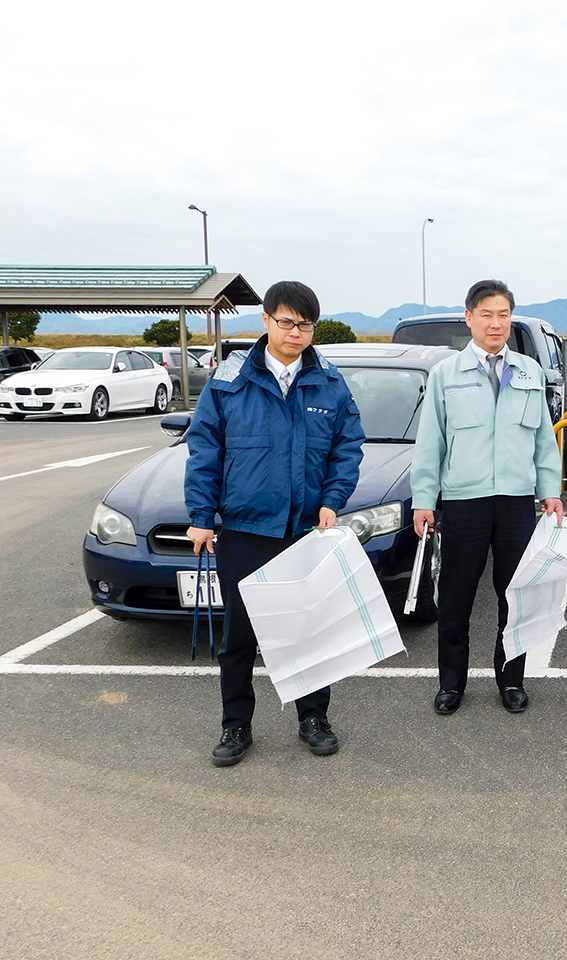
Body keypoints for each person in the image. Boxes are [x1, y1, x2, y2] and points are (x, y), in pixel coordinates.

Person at [185, 280, 364, 766]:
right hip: (245, 527)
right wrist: (202, 517)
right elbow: (205, 450)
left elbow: (347, 447)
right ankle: (235, 725)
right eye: (285, 321)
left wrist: (333, 499)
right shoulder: (230, 380)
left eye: (304, 324)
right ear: (265, 321)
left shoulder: (329, 380)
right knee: (240, 633)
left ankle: (313, 717)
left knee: (309, 626)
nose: (295, 331)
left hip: (308, 528)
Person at [411, 280, 563, 716]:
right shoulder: (446, 374)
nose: (495, 323)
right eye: (486, 314)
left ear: (510, 318)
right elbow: (430, 444)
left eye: (503, 315)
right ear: (469, 318)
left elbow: (542, 442)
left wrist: (550, 491)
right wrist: (425, 499)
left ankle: (511, 679)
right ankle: (451, 684)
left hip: (516, 501)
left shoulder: (529, 372)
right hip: (464, 500)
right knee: (456, 596)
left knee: (514, 595)